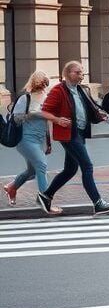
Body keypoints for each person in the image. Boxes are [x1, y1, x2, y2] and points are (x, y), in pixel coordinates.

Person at [37, 61, 109, 216]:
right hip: (68, 135)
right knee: (87, 166)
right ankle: (98, 203)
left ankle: (46, 196)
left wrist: (99, 115)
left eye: (82, 72)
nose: (81, 76)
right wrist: (57, 120)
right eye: (77, 72)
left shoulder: (81, 90)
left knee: (70, 169)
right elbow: (44, 111)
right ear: (67, 74)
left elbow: (89, 108)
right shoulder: (58, 90)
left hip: (79, 133)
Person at [4, 71, 56, 212]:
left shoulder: (47, 98)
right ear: (33, 83)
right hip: (25, 139)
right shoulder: (25, 99)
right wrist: (31, 114)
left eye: (42, 82)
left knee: (32, 170)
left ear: (46, 83)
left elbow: (47, 124)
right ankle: (45, 200)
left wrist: (48, 142)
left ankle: (12, 187)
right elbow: (15, 118)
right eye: (38, 82)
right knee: (41, 165)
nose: (40, 85)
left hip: (39, 140)